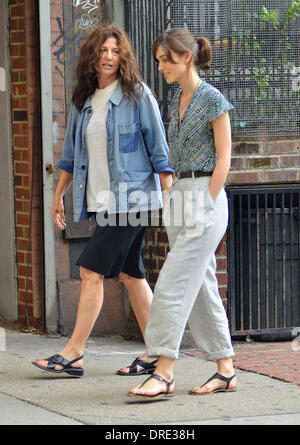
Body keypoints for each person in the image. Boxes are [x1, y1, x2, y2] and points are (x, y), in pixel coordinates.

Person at [32, 23, 173, 377]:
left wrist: (169, 197)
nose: (108, 57)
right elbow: (69, 157)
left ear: (122, 56)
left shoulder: (138, 95)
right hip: (100, 202)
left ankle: (74, 352)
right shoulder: (83, 100)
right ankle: (158, 353)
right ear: (93, 56)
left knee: (90, 270)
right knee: (131, 274)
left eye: (115, 51)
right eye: (103, 50)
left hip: (133, 200)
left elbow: (160, 152)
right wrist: (58, 197)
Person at [129, 28, 236, 400]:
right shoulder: (177, 97)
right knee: (203, 285)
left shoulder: (212, 99)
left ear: (186, 57)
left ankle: (164, 369)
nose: (160, 66)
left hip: (205, 196)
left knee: (172, 283)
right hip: (179, 196)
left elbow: (224, 158)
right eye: (159, 60)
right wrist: (171, 195)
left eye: (166, 59)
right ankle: (225, 369)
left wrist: (206, 202)